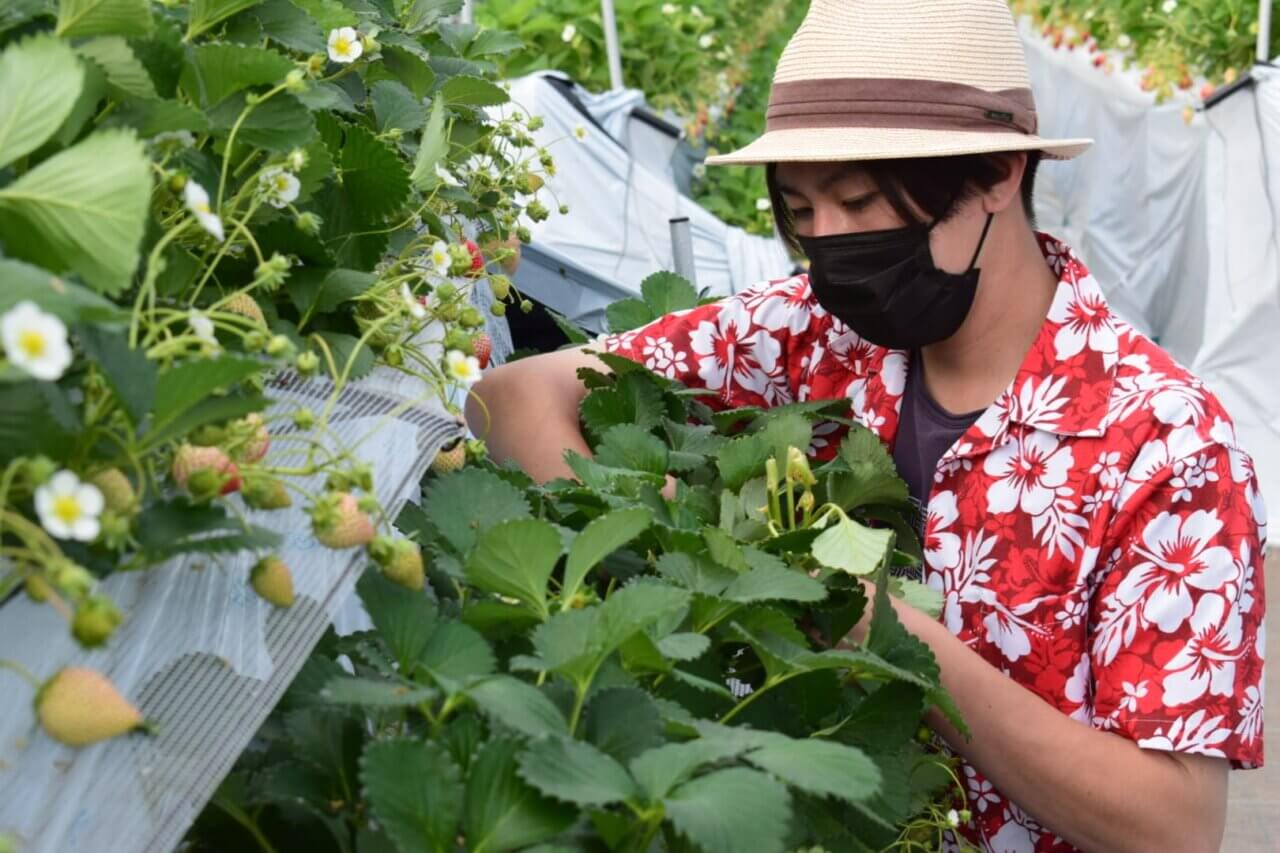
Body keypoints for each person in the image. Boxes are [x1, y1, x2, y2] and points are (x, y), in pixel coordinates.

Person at [467, 0, 1267, 849]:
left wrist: (876, 626)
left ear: (998, 171)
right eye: (803, 211)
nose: (828, 244)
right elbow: (510, 397)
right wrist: (677, 543)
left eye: (857, 198)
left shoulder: (1163, 444)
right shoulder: (805, 336)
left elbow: (1171, 826)